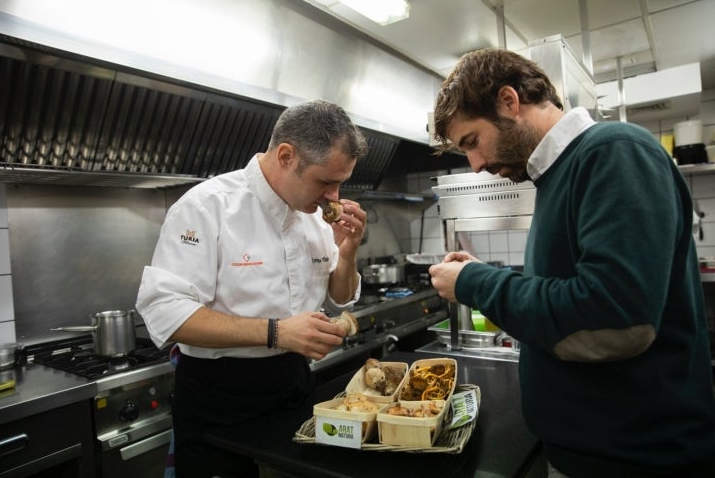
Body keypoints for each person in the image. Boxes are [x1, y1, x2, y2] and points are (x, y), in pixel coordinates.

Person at [428, 48, 715, 478]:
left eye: (472, 141)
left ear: (509, 101)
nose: (478, 165)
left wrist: (475, 283)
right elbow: (570, 283)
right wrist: (488, 273)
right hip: (592, 448)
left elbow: (614, 315)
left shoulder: (613, 151)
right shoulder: (556, 175)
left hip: (637, 458)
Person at [136, 99, 369, 477]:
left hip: (294, 384)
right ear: (287, 156)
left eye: (341, 183)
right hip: (219, 398)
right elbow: (166, 314)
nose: (335, 197)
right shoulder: (207, 206)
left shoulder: (311, 216)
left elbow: (339, 296)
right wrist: (276, 332)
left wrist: (348, 252)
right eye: (326, 181)